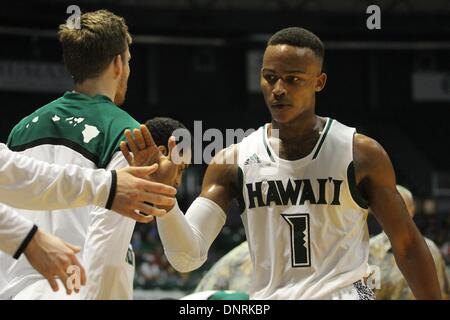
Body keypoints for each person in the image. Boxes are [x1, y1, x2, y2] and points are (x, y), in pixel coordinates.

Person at [123, 27, 442, 299]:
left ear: (319, 82)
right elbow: (186, 257)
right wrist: (166, 202)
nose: (278, 89)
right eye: (270, 77)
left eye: (293, 79)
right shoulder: (232, 161)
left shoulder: (360, 154)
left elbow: (408, 246)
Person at [0, 10, 170, 300]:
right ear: (118, 64)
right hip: (77, 289)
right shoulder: (127, 133)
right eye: (128, 61)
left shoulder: (20, 129)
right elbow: (107, 246)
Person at [369, 185, 450, 299]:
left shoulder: (430, 250)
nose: (395, 215)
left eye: (401, 209)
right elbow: (358, 290)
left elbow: (441, 294)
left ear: (412, 211)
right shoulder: (369, 249)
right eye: (389, 209)